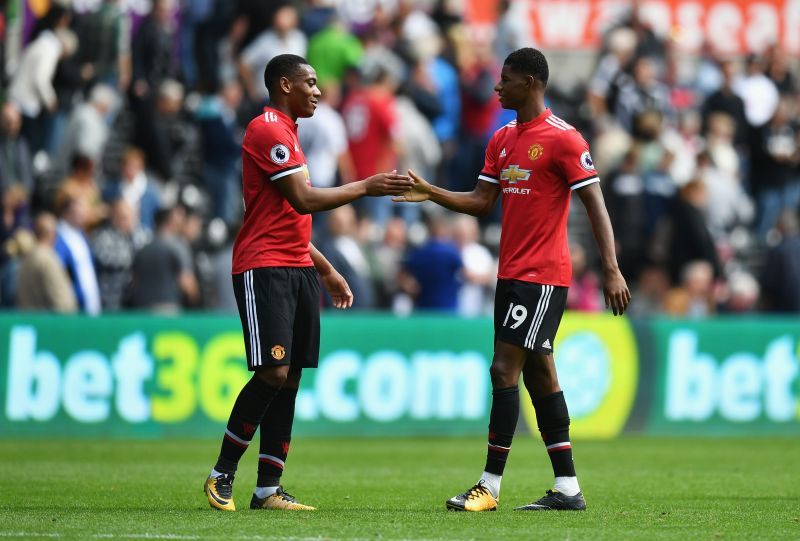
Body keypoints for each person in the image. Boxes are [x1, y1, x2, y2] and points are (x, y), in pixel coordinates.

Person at [394, 48, 630, 512]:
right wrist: (431, 193)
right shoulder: (501, 138)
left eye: (506, 79)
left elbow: (594, 203)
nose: (497, 87)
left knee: (504, 368)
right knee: (540, 376)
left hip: (542, 276)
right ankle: (567, 489)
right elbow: (482, 202)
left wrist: (611, 266)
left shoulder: (564, 139)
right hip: (511, 274)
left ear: (531, 81)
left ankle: (489, 486)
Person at [203, 54, 410, 512]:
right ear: (284, 85)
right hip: (264, 267)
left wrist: (326, 268)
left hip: (296, 266)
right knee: (273, 372)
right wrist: (366, 186)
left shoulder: (290, 134)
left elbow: (290, 217)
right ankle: (222, 472)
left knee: (290, 378)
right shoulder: (268, 129)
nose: (318, 91)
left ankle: (268, 489)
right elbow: (303, 198)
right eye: (310, 83)